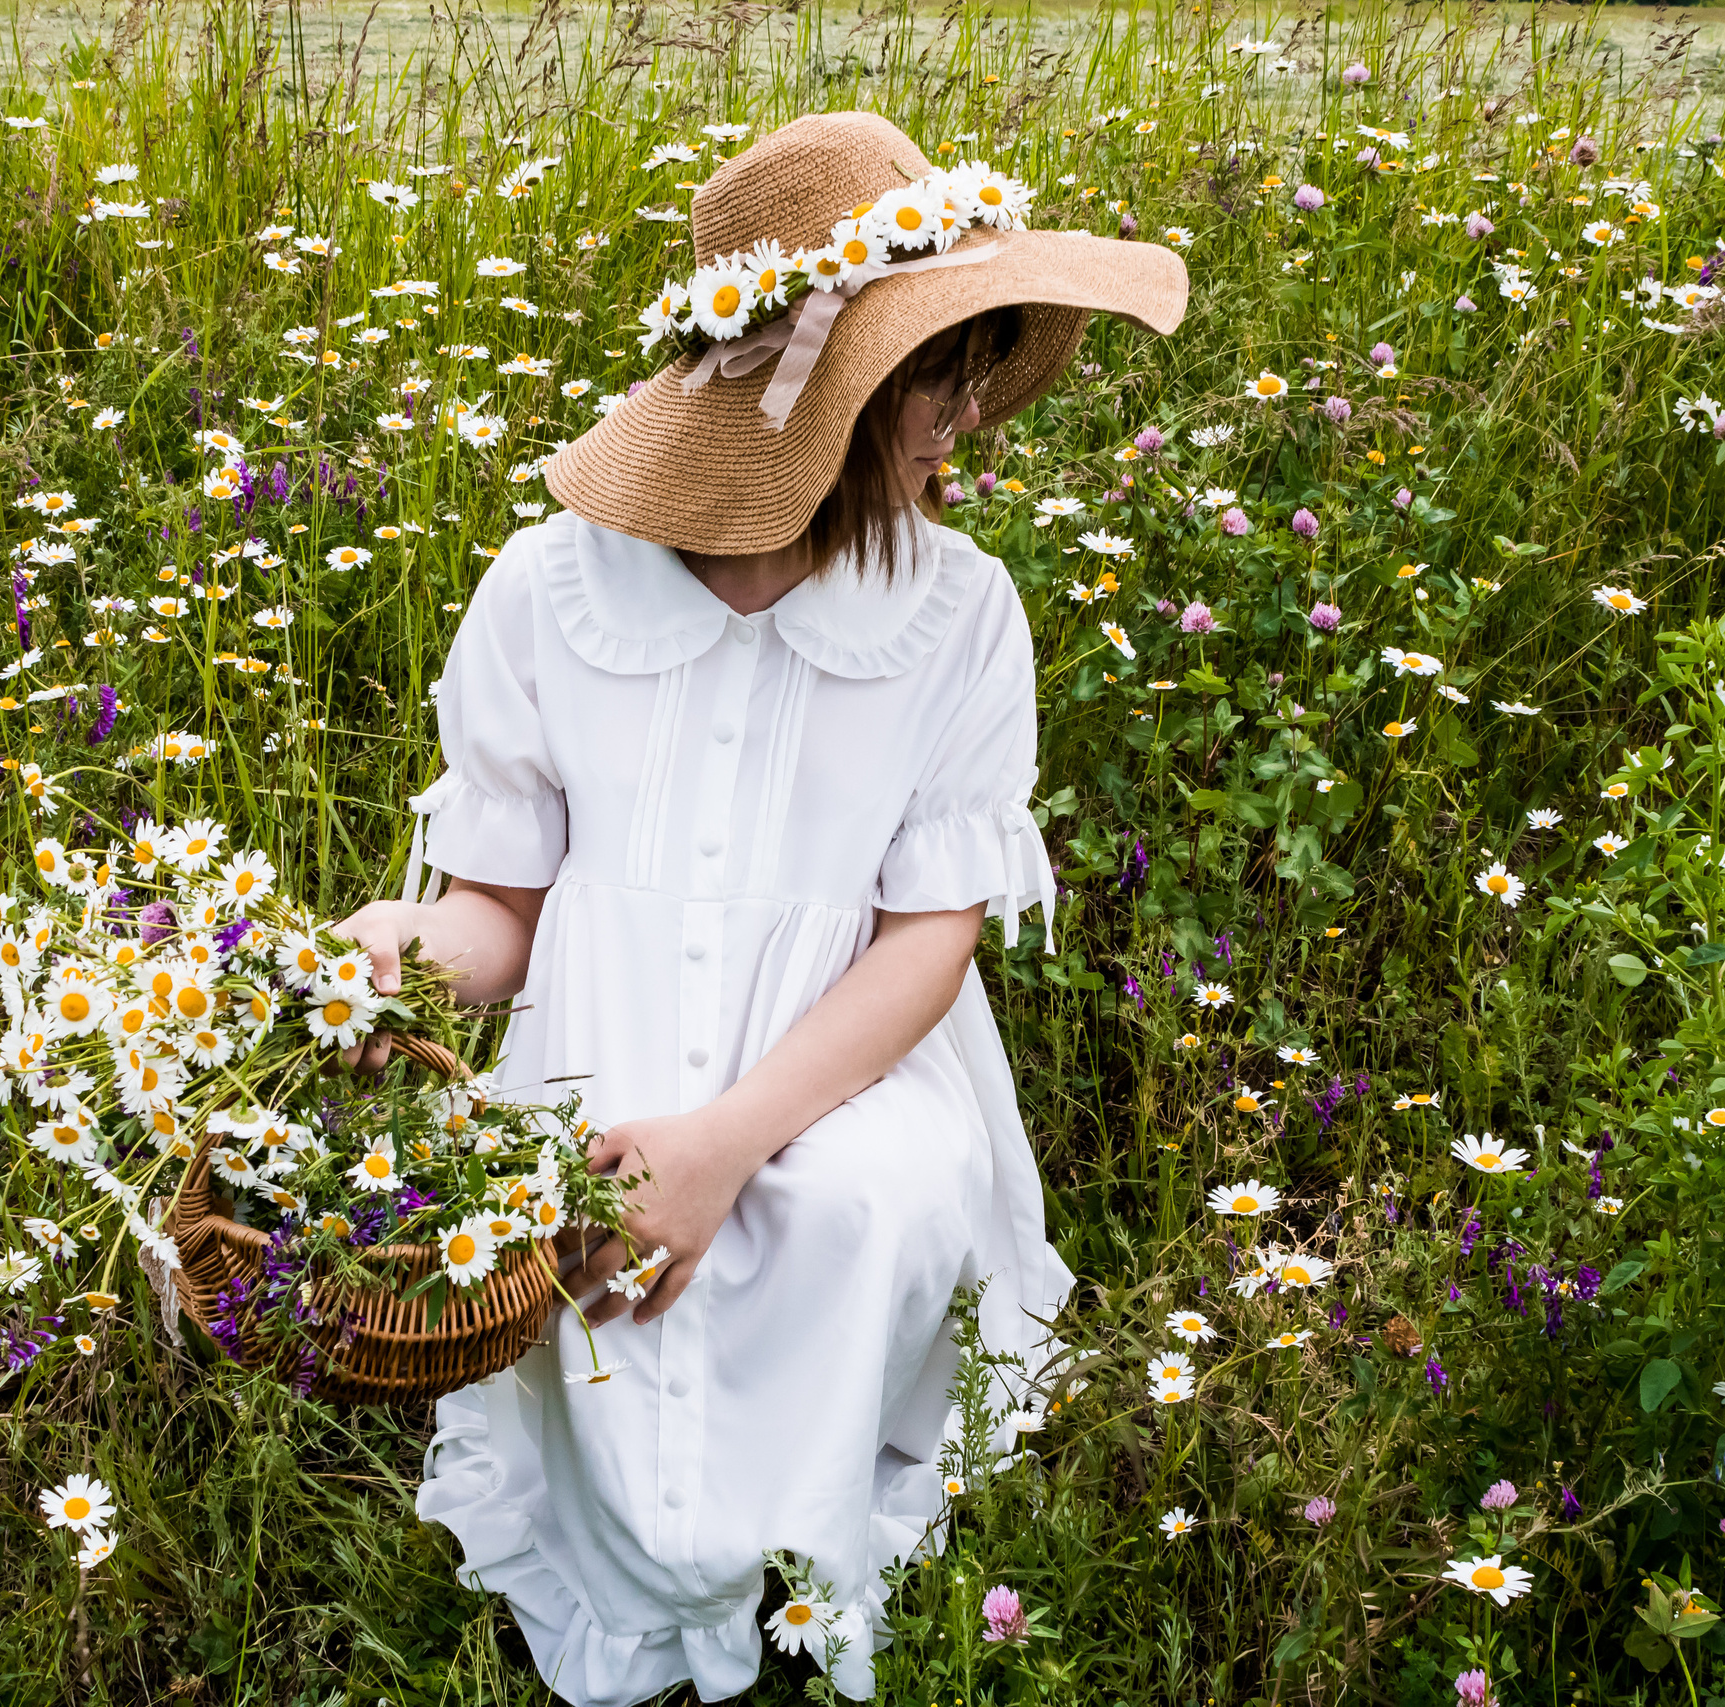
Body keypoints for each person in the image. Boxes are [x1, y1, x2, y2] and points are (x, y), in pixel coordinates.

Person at [330, 110, 1186, 1707]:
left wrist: (728, 1143)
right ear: (835, 400)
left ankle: (799, 1580)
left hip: (844, 1058)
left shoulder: (954, 613)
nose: (965, 429)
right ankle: (664, 1576)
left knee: (848, 1210)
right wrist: (394, 956)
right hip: (610, 1047)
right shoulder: (552, 589)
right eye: (940, 388)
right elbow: (494, 916)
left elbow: (930, 938)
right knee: (596, 1241)